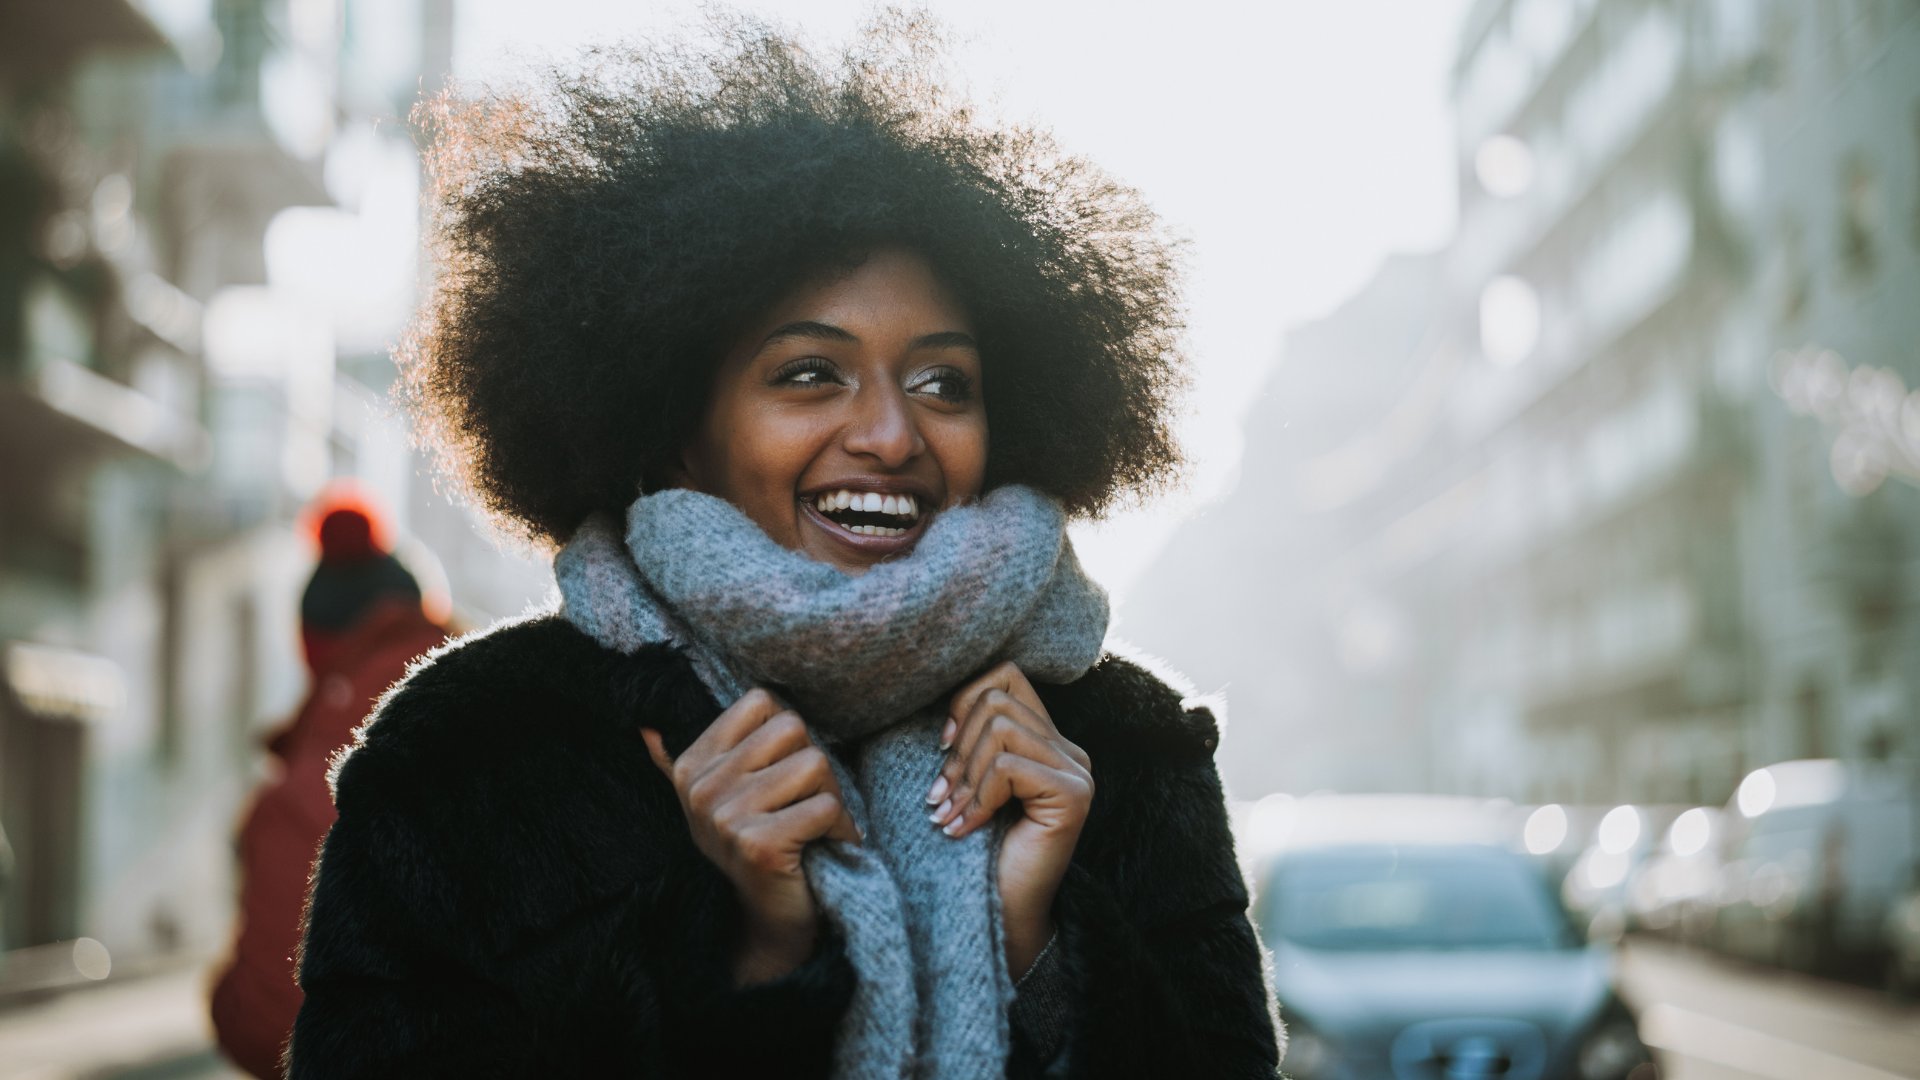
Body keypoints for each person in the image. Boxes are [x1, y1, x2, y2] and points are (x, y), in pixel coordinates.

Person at [288, 15, 1282, 1079]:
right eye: (810, 372)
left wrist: (1040, 942)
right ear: (677, 426)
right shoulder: (468, 758)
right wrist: (747, 959)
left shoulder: (1123, 753)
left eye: (945, 382)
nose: (893, 434)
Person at [211, 492, 447, 1078]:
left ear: (314, 648)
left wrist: (220, 999)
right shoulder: (513, 709)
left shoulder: (304, 791)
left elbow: (271, 1021)